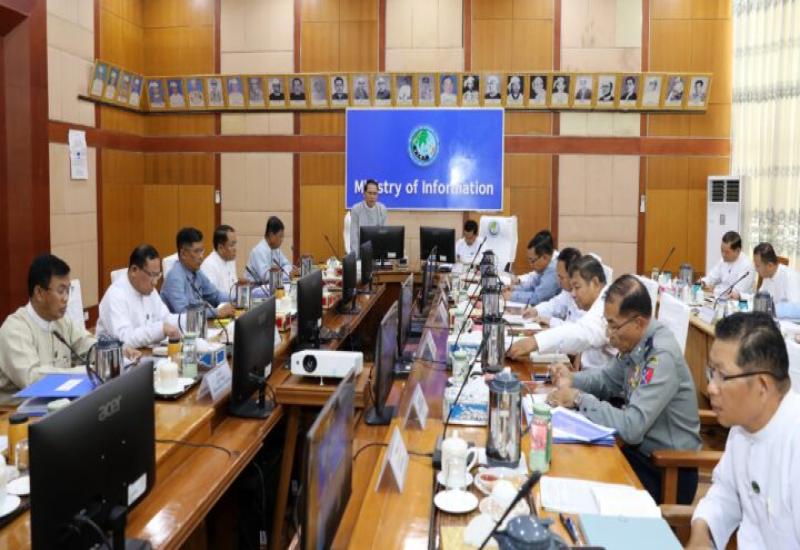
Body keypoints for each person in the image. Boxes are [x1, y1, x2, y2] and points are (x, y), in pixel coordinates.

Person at [546, 275, 701, 504]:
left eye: (614, 325)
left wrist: (579, 398)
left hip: (666, 469)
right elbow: (607, 379)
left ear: (638, 322)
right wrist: (572, 379)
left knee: (581, 481)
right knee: (570, 463)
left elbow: (632, 427)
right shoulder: (636, 343)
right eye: (607, 324)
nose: (609, 334)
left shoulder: (660, 356)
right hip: (638, 453)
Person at [687, 312, 800, 549]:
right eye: (711, 372)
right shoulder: (743, 425)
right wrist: (701, 532)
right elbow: (725, 493)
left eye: (723, 376)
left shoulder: (793, 439)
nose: (711, 387)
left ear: (762, 385)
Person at [0, 255, 137, 398]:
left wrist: (116, 352)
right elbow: (33, 379)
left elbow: (86, 344)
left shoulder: (61, 321)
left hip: (59, 401)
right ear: (39, 293)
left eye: (68, 290)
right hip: (18, 409)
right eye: (61, 291)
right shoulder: (15, 330)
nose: (66, 298)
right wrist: (85, 371)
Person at [508, 255, 615, 370]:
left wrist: (535, 342)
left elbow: (580, 333)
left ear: (595, 282)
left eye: (577, 287)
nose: (573, 294)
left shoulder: (606, 305)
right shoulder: (599, 301)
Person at [97, 245, 180, 348]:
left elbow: (166, 318)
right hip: (122, 356)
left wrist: (185, 320)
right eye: (151, 275)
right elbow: (123, 340)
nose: (155, 282)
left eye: (157, 275)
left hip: (148, 352)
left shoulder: (149, 290)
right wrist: (159, 330)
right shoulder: (115, 295)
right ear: (134, 270)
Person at [161, 227, 235, 318]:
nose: (201, 256)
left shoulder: (196, 271)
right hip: (181, 326)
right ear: (183, 254)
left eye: (202, 250)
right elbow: (184, 312)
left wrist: (237, 298)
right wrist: (216, 312)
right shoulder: (175, 278)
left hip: (198, 324)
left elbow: (215, 295)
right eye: (196, 251)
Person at [523, 247, 582, 328]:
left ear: (573, 276)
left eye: (561, 277)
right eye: (558, 276)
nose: (558, 281)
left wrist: (550, 321)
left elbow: (576, 329)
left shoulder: (584, 296)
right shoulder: (568, 291)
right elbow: (555, 304)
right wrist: (536, 310)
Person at [504, 230, 560, 306]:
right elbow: (533, 286)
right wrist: (514, 288)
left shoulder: (553, 269)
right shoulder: (545, 266)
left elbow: (537, 298)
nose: (531, 265)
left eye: (533, 261)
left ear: (545, 257)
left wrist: (511, 296)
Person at [701, 231, 755, 299]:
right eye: (722, 250)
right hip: (720, 299)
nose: (723, 255)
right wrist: (703, 283)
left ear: (738, 250)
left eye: (727, 252)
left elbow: (735, 293)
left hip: (737, 303)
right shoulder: (724, 260)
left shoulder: (747, 266)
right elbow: (711, 277)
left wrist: (714, 290)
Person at [246, 216, 294, 284]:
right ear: (271, 235)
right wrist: (284, 273)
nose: (282, 240)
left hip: (272, 285)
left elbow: (287, 264)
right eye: (280, 236)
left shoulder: (276, 249)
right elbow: (266, 277)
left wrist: (284, 272)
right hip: (256, 287)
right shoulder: (258, 251)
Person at [349, 179, 387, 255]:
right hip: (360, 252)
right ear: (364, 194)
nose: (372, 196)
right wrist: (356, 258)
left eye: (375, 193)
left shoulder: (382, 209)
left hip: (378, 252)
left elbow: (384, 235)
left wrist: (383, 255)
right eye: (369, 193)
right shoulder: (356, 209)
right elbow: (354, 237)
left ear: (377, 195)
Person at [201, 225, 239, 297]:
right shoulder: (209, 265)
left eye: (235, 244)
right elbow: (212, 297)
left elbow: (233, 289)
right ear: (221, 247)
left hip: (232, 302)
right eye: (232, 245)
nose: (235, 249)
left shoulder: (230, 260)